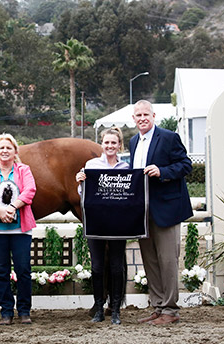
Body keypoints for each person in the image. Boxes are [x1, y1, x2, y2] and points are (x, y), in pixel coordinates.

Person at [129, 100, 193, 325]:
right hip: (143, 212)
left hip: (167, 209)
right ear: (134, 119)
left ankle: (171, 310)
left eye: (146, 114)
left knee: (167, 261)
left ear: (153, 115)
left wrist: (162, 171)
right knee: (150, 261)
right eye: (138, 115)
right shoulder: (133, 141)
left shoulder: (168, 137)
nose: (142, 118)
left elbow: (186, 164)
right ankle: (157, 306)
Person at [0, 133, 37, 325]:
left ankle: (24, 310)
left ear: (15, 151)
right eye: (1, 148)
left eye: (8, 148)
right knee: (1, 271)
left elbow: (30, 190)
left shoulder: (24, 170)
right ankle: (6, 311)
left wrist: (12, 208)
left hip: (21, 230)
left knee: (23, 270)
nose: (5, 151)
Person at [76, 127, 128, 325]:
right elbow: (83, 194)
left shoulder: (125, 168)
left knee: (116, 267)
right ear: (102, 144)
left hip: (118, 224)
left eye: (114, 143)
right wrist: (79, 181)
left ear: (119, 145)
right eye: (107, 142)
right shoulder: (90, 165)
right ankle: (98, 307)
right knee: (97, 267)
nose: (110, 146)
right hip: (96, 222)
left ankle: (115, 310)